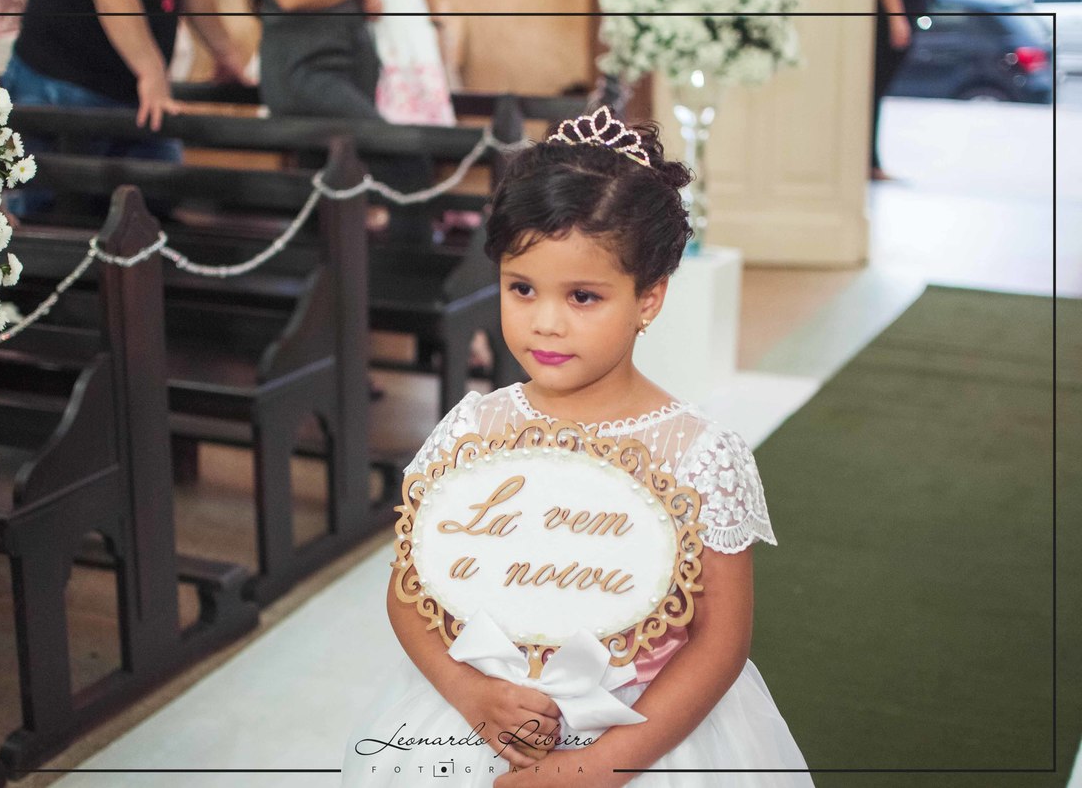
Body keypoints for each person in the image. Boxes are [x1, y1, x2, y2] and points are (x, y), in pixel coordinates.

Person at [340, 109, 814, 786]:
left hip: (643, 736)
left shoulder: (698, 455)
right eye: (522, 288)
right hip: (483, 718)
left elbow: (721, 641)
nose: (545, 322)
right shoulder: (474, 430)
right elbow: (410, 592)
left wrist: (593, 768)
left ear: (648, 298)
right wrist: (469, 692)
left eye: (583, 296)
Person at [3, 0, 250, 216]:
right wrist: (151, 71)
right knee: (46, 212)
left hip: (128, 93)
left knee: (156, 202)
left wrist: (226, 53)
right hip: (62, 81)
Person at [257, 0, 434, 242]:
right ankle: (410, 263)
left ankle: (330, 263)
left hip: (338, 73)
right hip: (307, 78)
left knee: (323, 184)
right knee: (405, 161)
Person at [871, 0, 933, 181]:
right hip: (891, 19)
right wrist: (896, 18)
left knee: (875, 93)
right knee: (872, 93)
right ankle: (870, 163)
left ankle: (871, 162)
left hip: (904, 15)